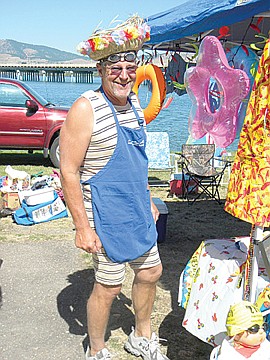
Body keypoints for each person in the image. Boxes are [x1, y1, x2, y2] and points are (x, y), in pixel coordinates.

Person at [59, 15, 170, 360]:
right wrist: (82, 227)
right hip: (104, 213)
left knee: (151, 271)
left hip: (136, 208)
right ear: (101, 70)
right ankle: (96, 349)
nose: (124, 74)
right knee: (108, 286)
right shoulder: (84, 108)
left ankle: (142, 336)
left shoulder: (134, 103)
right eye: (115, 68)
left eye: (129, 66)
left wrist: (149, 199)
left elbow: (135, 160)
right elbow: (68, 170)